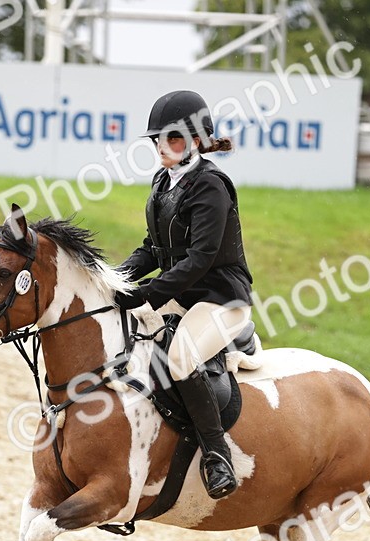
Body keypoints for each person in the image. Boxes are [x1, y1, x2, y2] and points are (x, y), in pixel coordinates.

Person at [114, 90, 254, 500]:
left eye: (172, 140)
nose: (162, 148)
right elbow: (152, 249)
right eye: (156, 141)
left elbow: (201, 258)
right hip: (182, 294)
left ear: (196, 140)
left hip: (219, 298)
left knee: (180, 358)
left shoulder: (210, 185)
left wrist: (148, 295)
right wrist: (116, 281)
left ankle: (216, 453)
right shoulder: (163, 181)